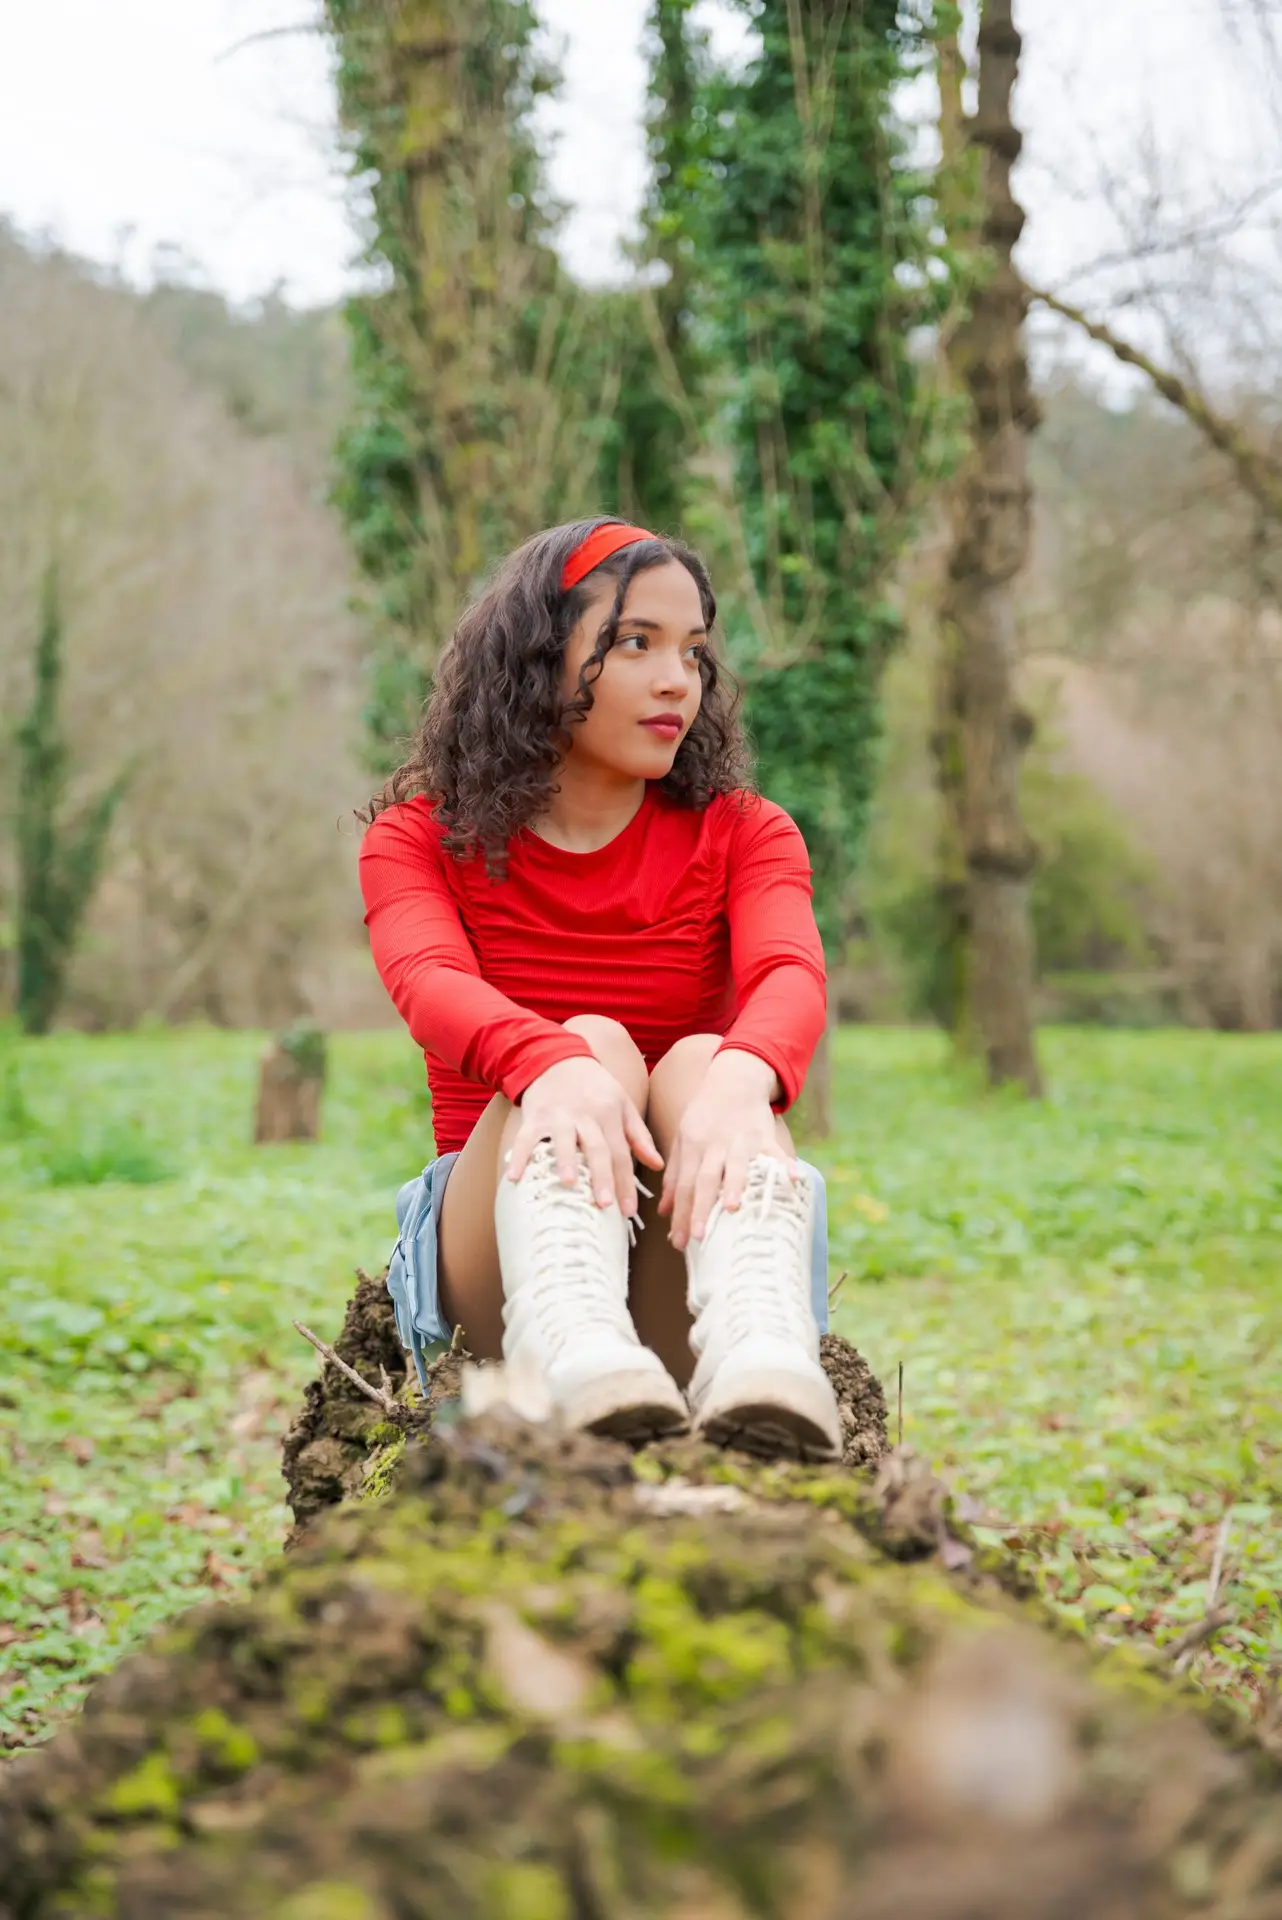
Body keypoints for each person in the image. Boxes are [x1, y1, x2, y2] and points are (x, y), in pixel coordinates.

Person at [358, 517, 841, 1461]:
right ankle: (571, 1350)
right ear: (539, 660)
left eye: (693, 651)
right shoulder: (418, 839)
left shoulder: (746, 832)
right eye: (634, 643)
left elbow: (790, 973)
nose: (677, 681)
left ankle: (761, 1353)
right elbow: (429, 981)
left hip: (677, 1264)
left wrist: (744, 1080)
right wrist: (555, 1064)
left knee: (707, 1062)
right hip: (495, 1278)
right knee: (596, 1045)